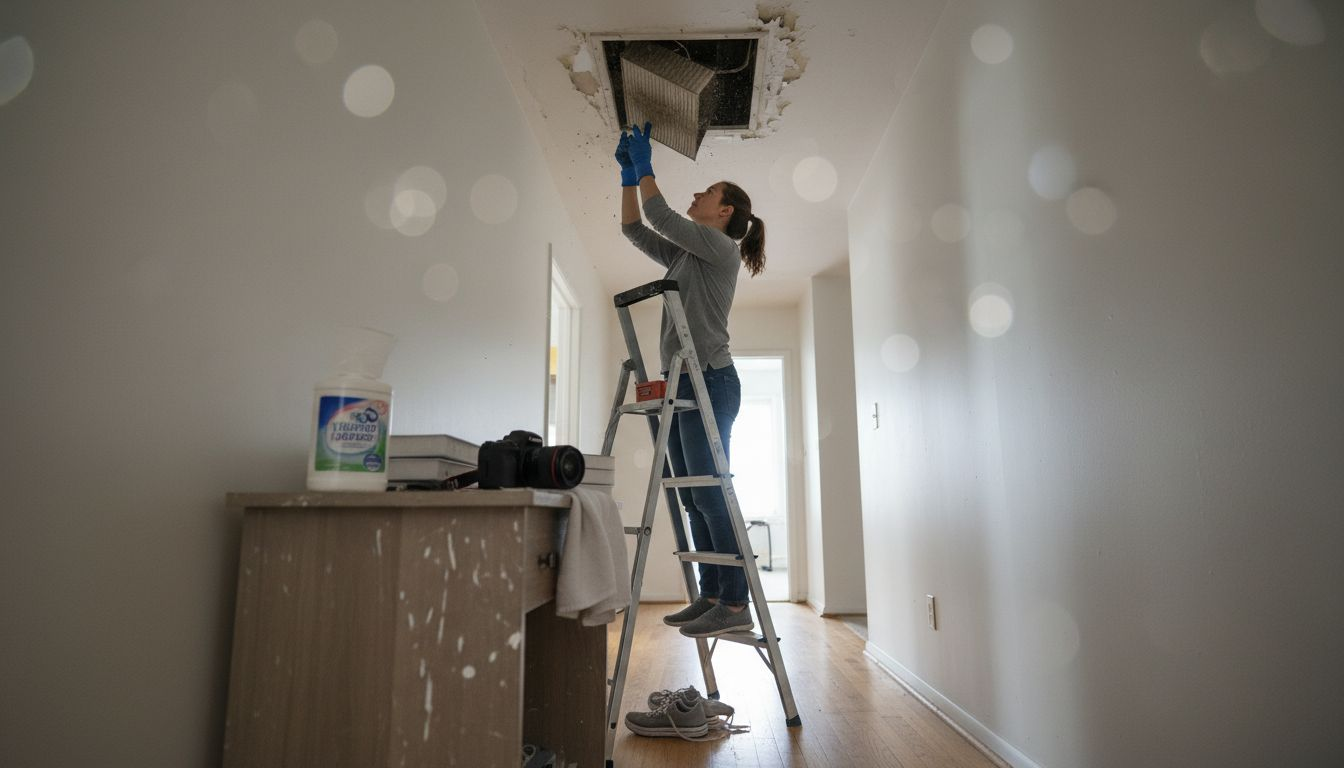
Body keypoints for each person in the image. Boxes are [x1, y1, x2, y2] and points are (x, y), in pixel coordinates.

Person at [615, 122, 766, 638]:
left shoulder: (719, 248)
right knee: (691, 494)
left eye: (708, 193)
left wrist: (645, 169)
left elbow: (660, 213)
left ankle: (736, 602)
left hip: (710, 380)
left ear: (724, 212)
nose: (698, 195)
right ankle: (711, 594)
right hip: (681, 382)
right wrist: (625, 178)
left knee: (708, 491)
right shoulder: (687, 254)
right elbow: (636, 228)